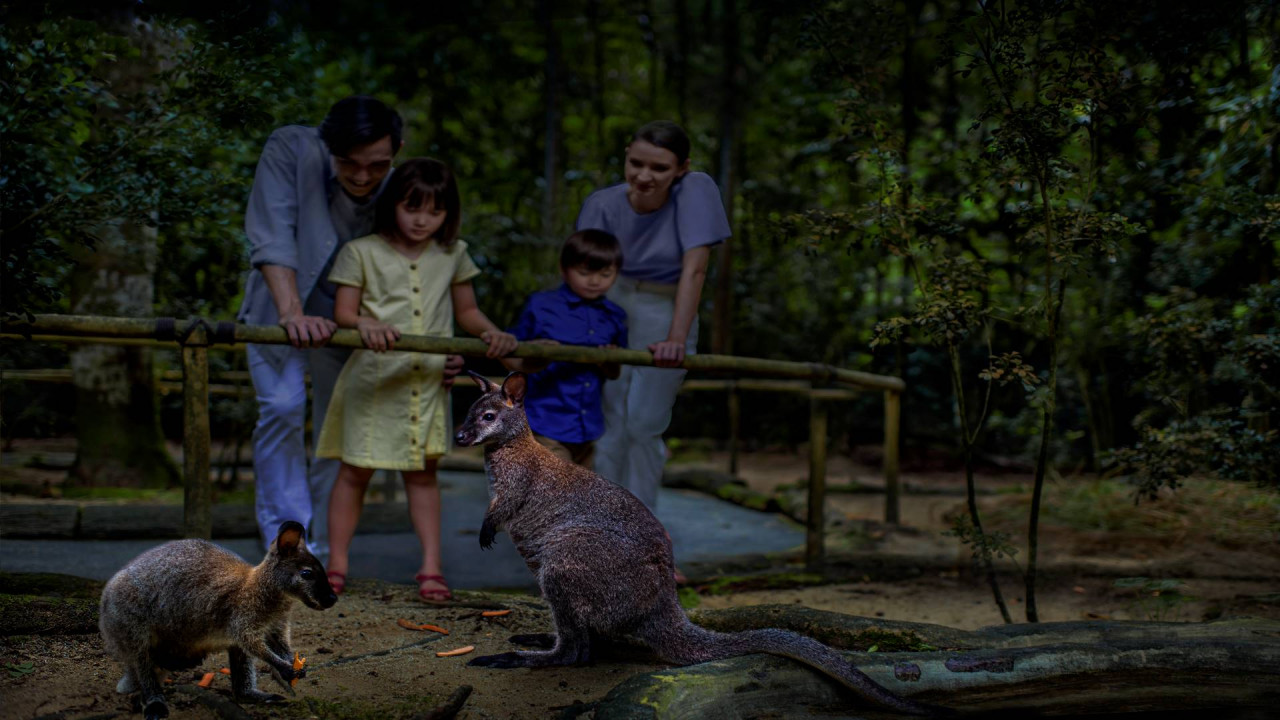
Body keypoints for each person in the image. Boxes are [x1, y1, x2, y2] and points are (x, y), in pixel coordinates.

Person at [239, 96, 462, 565]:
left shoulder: (399, 182)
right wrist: (292, 312)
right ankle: (286, 542)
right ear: (328, 148)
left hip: (356, 322)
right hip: (284, 305)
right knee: (281, 407)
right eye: (348, 163)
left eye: (376, 165)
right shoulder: (290, 149)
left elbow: (417, 270)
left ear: (397, 149)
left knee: (334, 430)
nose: (362, 176)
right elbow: (272, 232)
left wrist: (431, 351)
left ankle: (316, 549)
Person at [317, 157, 518, 602]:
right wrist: (365, 322)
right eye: (412, 208)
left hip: (425, 383)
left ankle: (431, 567)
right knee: (354, 472)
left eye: (435, 211)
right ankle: (335, 566)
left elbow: (466, 311)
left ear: (449, 213)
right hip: (371, 380)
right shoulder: (361, 251)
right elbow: (343, 312)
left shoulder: (453, 254)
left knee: (424, 473)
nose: (422, 220)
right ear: (392, 204)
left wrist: (489, 331)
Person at [575, 121, 731, 510]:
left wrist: (676, 338)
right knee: (610, 424)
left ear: (681, 168)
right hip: (611, 301)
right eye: (636, 163)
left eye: (660, 168)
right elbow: (585, 276)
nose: (645, 176)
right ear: (626, 155)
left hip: (668, 305)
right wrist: (593, 331)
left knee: (645, 424)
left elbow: (695, 270)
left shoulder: (696, 190)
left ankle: (645, 533)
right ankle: (605, 530)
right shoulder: (601, 204)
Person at [507, 229, 628, 468]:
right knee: (560, 495)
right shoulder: (541, 306)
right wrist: (537, 354)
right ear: (564, 270)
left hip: (588, 427)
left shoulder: (616, 316)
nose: (595, 281)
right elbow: (511, 356)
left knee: (581, 498)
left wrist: (608, 360)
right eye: (584, 273)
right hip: (543, 423)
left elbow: (614, 373)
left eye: (606, 274)